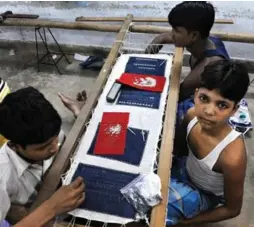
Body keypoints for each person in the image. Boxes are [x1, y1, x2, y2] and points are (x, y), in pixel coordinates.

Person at [166, 60, 249, 226]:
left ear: (234, 110)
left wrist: (189, 222)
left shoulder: (232, 156)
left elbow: (232, 209)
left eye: (222, 105)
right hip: (185, 171)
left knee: (157, 210)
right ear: (195, 94)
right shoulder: (191, 116)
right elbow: (179, 151)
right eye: (204, 98)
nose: (209, 111)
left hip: (205, 194)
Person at [0, 87, 85, 225]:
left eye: (55, 138)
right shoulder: (3, 176)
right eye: (42, 147)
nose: (54, 148)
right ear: (16, 145)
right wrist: (51, 208)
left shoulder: (47, 133)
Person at [145, 1, 230, 125]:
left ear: (194, 35)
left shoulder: (207, 66)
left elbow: (176, 96)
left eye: (176, 30)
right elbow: (161, 38)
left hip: (214, 107)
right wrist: (145, 60)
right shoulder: (205, 40)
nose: (172, 33)